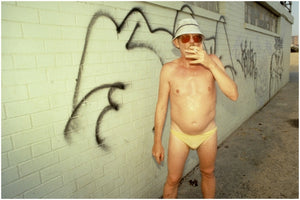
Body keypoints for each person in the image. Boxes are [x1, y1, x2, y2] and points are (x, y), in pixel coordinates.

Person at [152, 18, 238, 198]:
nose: (191, 42)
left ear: (201, 41)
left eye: (196, 37)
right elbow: (161, 107)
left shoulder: (212, 61)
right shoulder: (169, 69)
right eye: (185, 38)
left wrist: (210, 64)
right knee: (173, 179)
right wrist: (157, 141)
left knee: (208, 173)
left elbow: (233, 94)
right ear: (176, 43)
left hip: (207, 133)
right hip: (179, 135)